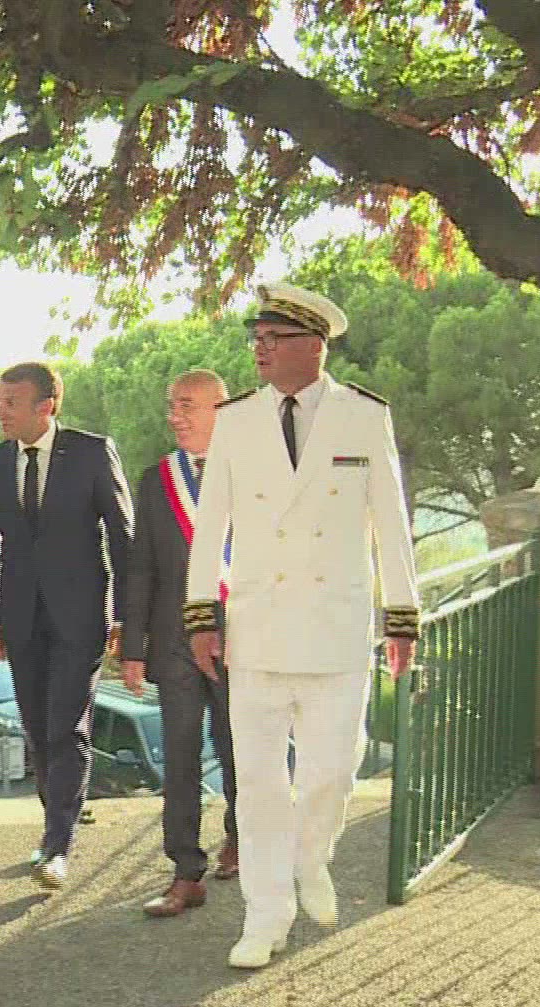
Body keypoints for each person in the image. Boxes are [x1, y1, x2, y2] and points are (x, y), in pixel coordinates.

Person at [185, 283, 420, 970]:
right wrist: (201, 615)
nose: (259, 350)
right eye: (255, 338)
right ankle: (265, 915)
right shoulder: (236, 420)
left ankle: (310, 857)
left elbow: (392, 523)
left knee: (333, 772)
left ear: (314, 345)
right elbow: (211, 526)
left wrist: (401, 616)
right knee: (259, 784)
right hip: (258, 626)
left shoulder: (363, 416)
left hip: (335, 626)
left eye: (273, 339)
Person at [0, 361, 133, 890]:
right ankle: (54, 824)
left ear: (47, 406)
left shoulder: (91, 452)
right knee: (38, 727)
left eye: (11, 402)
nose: (1, 411)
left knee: (67, 724)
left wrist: (127, 616)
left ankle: (58, 844)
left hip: (81, 615)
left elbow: (123, 536)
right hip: (20, 616)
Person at [121, 369, 240, 918]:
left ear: (222, 409)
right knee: (180, 753)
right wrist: (134, 648)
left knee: (240, 745)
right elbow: (141, 567)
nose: (175, 416)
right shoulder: (157, 479)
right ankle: (185, 872)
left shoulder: (252, 469)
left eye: (188, 405)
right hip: (174, 639)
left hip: (243, 632)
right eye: (172, 405)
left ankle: (241, 837)